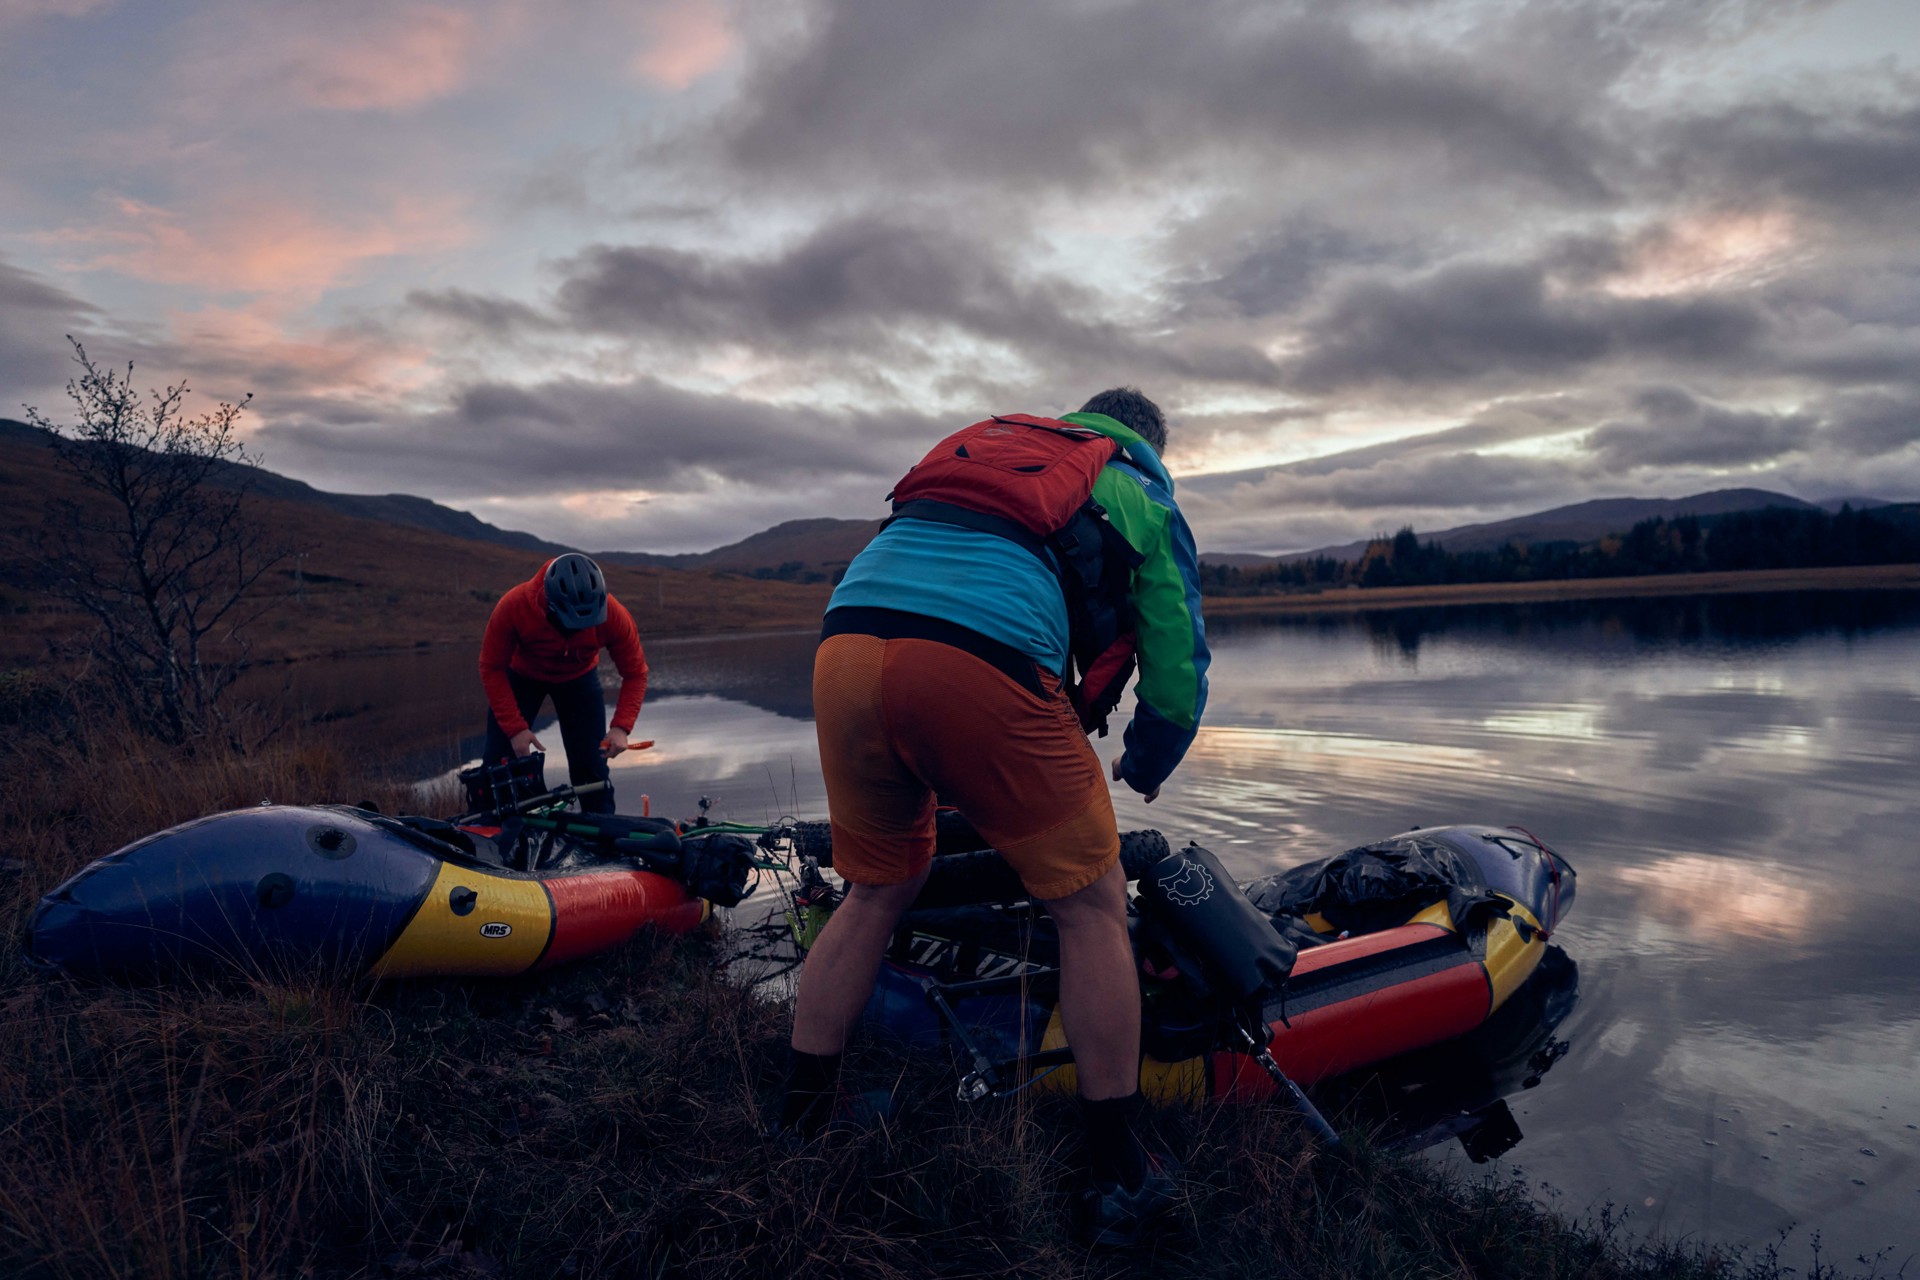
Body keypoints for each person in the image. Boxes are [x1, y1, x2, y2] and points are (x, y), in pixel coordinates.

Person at [781, 387, 1210, 1246]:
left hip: (846, 645)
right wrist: (1148, 761)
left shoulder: (987, 443)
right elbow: (1175, 655)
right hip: (981, 656)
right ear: (1150, 444)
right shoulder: (1138, 489)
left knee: (876, 891)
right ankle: (1119, 1177)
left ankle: (799, 1123)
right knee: (1092, 906)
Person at [479, 553, 648, 815]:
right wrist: (515, 729)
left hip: (579, 679)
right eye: (572, 625)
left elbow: (635, 673)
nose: (579, 631)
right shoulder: (514, 606)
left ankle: (602, 831)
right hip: (523, 676)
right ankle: (488, 829)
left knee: (591, 767)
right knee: (500, 763)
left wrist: (621, 727)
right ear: (550, 605)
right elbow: (491, 667)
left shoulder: (615, 615)